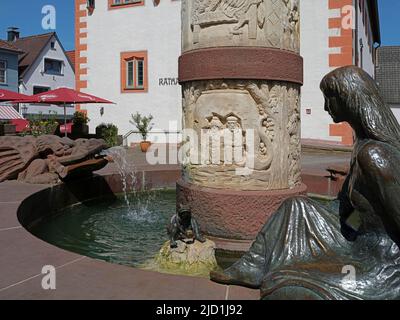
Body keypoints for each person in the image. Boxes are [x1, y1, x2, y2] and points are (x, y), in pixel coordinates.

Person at [210, 66, 400, 300]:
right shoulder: (362, 146)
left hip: (381, 264)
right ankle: (252, 267)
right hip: (358, 240)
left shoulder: (375, 156)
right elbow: (346, 211)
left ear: (350, 99)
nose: (325, 107)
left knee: (283, 283)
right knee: (296, 206)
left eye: (330, 99)